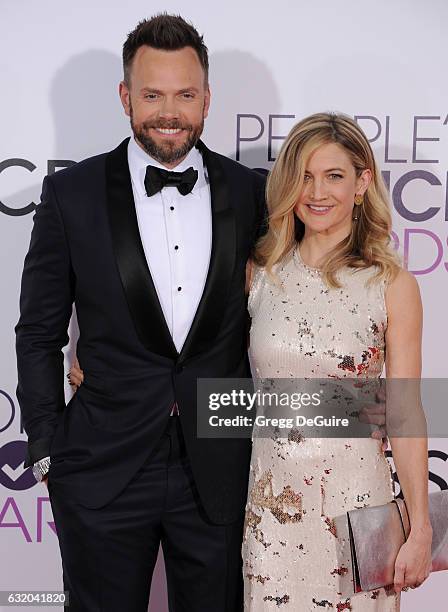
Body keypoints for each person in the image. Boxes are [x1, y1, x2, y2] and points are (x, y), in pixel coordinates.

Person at [15, 14, 266, 612]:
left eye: (185, 95)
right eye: (152, 94)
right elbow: (39, 331)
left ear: (207, 99)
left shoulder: (252, 192)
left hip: (220, 468)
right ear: (126, 96)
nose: (169, 112)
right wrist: (48, 446)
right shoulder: (70, 195)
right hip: (100, 466)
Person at [242, 112, 432, 610]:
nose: (317, 192)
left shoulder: (391, 285)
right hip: (272, 510)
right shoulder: (260, 275)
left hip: (356, 508)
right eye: (304, 176)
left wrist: (421, 527)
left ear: (362, 183)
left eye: (334, 175)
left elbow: (406, 411)